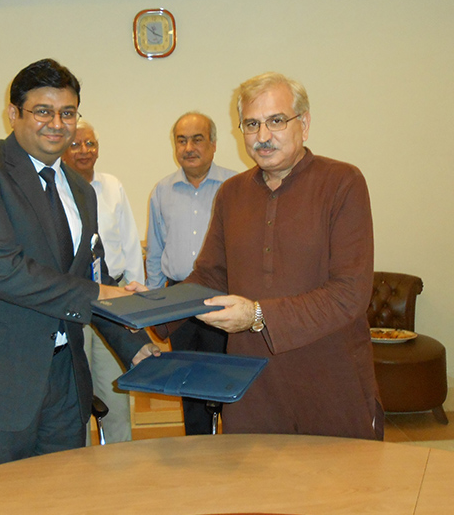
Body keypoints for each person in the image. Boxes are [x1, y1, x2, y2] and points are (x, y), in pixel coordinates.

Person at [0, 59, 158, 472]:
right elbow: (4, 272)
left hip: (65, 379)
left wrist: (133, 343)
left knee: (60, 499)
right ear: (13, 113)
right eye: (43, 111)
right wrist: (102, 292)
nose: (57, 123)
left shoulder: (81, 190)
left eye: (68, 112)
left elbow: (91, 274)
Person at [176, 72, 382, 440]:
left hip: (330, 377)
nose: (263, 136)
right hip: (252, 384)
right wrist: (148, 309)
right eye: (252, 124)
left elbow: (349, 294)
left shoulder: (343, 183)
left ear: (303, 123)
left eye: (276, 121)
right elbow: (210, 275)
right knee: (259, 492)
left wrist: (257, 315)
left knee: (343, 491)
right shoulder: (232, 193)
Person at [145, 112, 236, 435]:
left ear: (213, 145)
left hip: (223, 296)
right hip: (178, 295)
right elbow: (155, 252)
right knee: (187, 376)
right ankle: (197, 446)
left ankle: (231, 445)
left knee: (225, 375)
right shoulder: (162, 191)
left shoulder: (236, 186)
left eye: (197, 139)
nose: (189, 147)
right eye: (181, 140)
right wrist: (154, 303)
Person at [62, 119, 144, 443]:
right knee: (76, 389)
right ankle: (79, 457)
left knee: (114, 387)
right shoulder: (58, 190)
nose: (84, 151)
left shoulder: (112, 186)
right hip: (76, 301)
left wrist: (134, 303)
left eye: (90, 143)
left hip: (113, 299)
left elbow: (130, 241)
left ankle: (120, 456)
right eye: (76, 144)